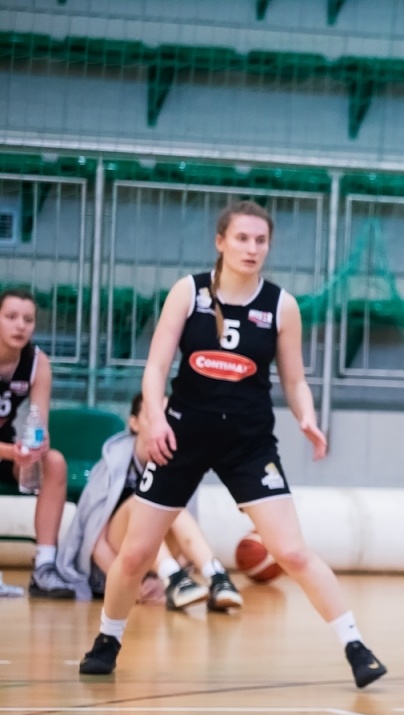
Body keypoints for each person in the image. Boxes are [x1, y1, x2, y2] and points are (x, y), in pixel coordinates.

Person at [77, 201, 385, 686]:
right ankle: (108, 639)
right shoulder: (188, 292)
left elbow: (295, 380)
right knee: (136, 553)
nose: (252, 248)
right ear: (221, 241)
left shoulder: (281, 306)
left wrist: (307, 417)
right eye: (242, 238)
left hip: (249, 442)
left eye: (261, 240)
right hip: (182, 434)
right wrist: (155, 420)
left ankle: (356, 647)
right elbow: (155, 369)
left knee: (292, 551)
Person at [57, 394, 243, 611]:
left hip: (158, 569)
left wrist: (159, 580)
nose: (163, 424)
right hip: (115, 565)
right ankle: (173, 578)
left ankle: (216, 577)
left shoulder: (181, 462)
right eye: (155, 417)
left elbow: (187, 540)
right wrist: (130, 585)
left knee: (172, 506)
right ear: (134, 423)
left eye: (169, 418)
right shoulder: (114, 461)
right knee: (145, 502)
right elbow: (94, 542)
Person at [0, 288, 74, 598]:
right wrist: (10, 453)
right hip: (5, 451)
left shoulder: (37, 362)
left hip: (8, 450)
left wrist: (33, 448)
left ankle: (44, 566)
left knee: (54, 462)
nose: (21, 326)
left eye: (28, 319)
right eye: (11, 317)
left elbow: (38, 420)